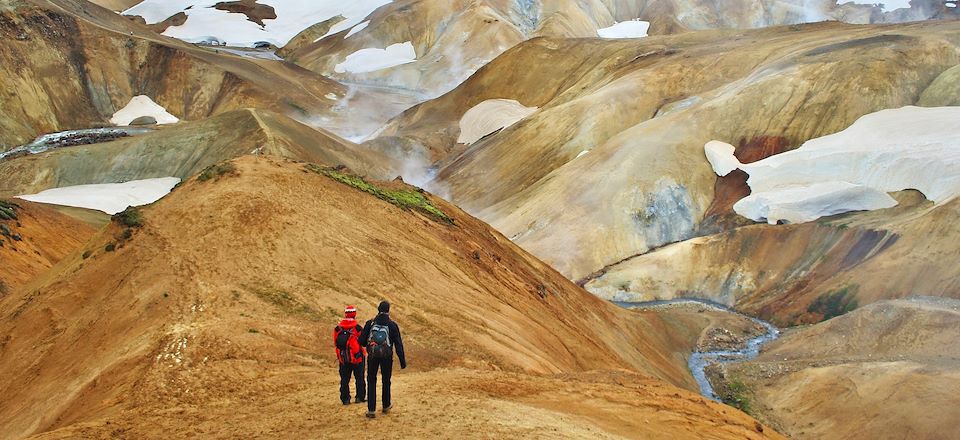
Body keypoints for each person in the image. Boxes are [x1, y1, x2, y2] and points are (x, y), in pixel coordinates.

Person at [360, 300, 406, 418]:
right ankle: (386, 405)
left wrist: (371, 345)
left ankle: (371, 410)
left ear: (378, 309)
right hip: (387, 356)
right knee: (386, 380)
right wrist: (402, 361)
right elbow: (398, 344)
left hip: (373, 356)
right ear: (388, 311)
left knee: (371, 380)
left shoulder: (370, 323)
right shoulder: (392, 325)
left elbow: (361, 341)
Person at [333, 305, 365, 405]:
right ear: (354, 314)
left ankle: (345, 399)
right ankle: (359, 397)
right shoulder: (357, 328)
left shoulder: (338, 329)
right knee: (359, 377)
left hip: (343, 358)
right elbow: (363, 342)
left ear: (345, 314)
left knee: (344, 379)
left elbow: (336, 343)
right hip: (357, 357)